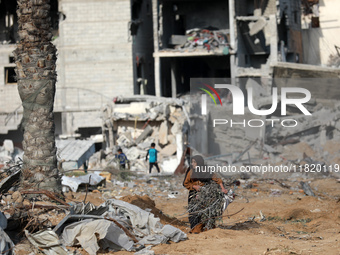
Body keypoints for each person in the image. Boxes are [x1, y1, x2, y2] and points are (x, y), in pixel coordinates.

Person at [183, 155, 228, 234]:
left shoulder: (207, 170)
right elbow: (186, 183)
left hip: (205, 194)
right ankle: (195, 229)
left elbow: (217, 179)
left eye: (194, 162)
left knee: (206, 211)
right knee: (194, 211)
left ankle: (206, 228)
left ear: (199, 163)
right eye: (192, 162)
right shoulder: (191, 171)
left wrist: (223, 188)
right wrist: (194, 186)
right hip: (194, 194)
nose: (193, 164)